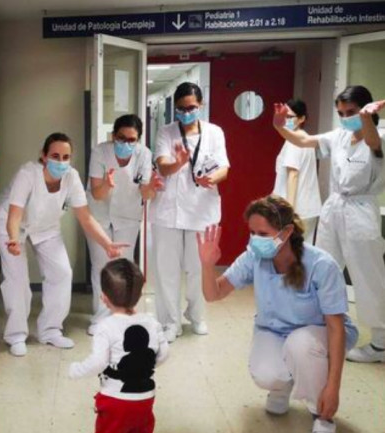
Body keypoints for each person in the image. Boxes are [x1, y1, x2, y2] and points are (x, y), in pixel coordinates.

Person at [198, 195, 358, 433]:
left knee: (301, 345)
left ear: (286, 232)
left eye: (262, 234)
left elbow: (335, 327)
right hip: (275, 331)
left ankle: (321, 414)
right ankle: (281, 388)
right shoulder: (254, 258)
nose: (255, 240)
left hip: (319, 336)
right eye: (252, 233)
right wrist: (207, 265)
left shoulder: (321, 265)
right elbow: (214, 294)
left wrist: (333, 387)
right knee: (264, 373)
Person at [272, 85, 385, 363]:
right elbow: (303, 141)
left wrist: (368, 119)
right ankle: (319, 325)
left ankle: (381, 342)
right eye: (341, 113)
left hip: (361, 211)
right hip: (334, 207)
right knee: (321, 267)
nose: (346, 117)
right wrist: (280, 127)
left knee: (367, 276)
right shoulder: (339, 136)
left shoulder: (379, 135)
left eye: (352, 112)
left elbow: (373, 144)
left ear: (365, 110)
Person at [0, 132, 127, 356]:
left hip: (46, 228)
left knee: (62, 273)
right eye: (55, 156)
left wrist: (107, 243)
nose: (61, 162)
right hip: (10, 226)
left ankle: (50, 330)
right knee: (17, 279)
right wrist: (14, 240)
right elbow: (14, 215)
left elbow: (85, 217)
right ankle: (16, 335)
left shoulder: (71, 177)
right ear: (43, 157)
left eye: (66, 157)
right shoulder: (28, 174)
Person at [150, 82, 230, 342]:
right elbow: (162, 167)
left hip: (202, 209)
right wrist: (179, 162)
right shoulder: (166, 132)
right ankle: (169, 322)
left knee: (198, 267)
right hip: (168, 211)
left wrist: (213, 179)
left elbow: (224, 168)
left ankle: (197, 316)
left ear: (201, 105)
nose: (186, 113)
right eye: (181, 109)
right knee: (167, 269)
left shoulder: (215, 132)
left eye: (191, 108)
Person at [69, 258, 168, 433]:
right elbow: (164, 354)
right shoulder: (152, 322)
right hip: (145, 398)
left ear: (104, 298)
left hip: (116, 400)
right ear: (139, 294)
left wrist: (76, 370)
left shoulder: (105, 327)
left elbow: (98, 362)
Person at [85, 114, 163, 335]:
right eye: (121, 138)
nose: (126, 144)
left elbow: (144, 192)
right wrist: (108, 185)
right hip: (99, 214)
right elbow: (97, 193)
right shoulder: (100, 151)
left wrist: (153, 187)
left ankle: (122, 314)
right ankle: (101, 317)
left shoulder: (144, 154)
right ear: (113, 136)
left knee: (123, 265)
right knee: (101, 264)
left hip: (128, 215)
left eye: (132, 140)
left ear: (138, 139)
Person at [272, 99, 321, 243]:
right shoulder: (305, 138)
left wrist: (290, 213)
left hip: (297, 209)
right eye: (283, 116)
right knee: (303, 252)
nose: (285, 120)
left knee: (290, 253)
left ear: (301, 119)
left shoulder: (295, 141)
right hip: (307, 208)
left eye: (289, 117)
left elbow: (293, 175)